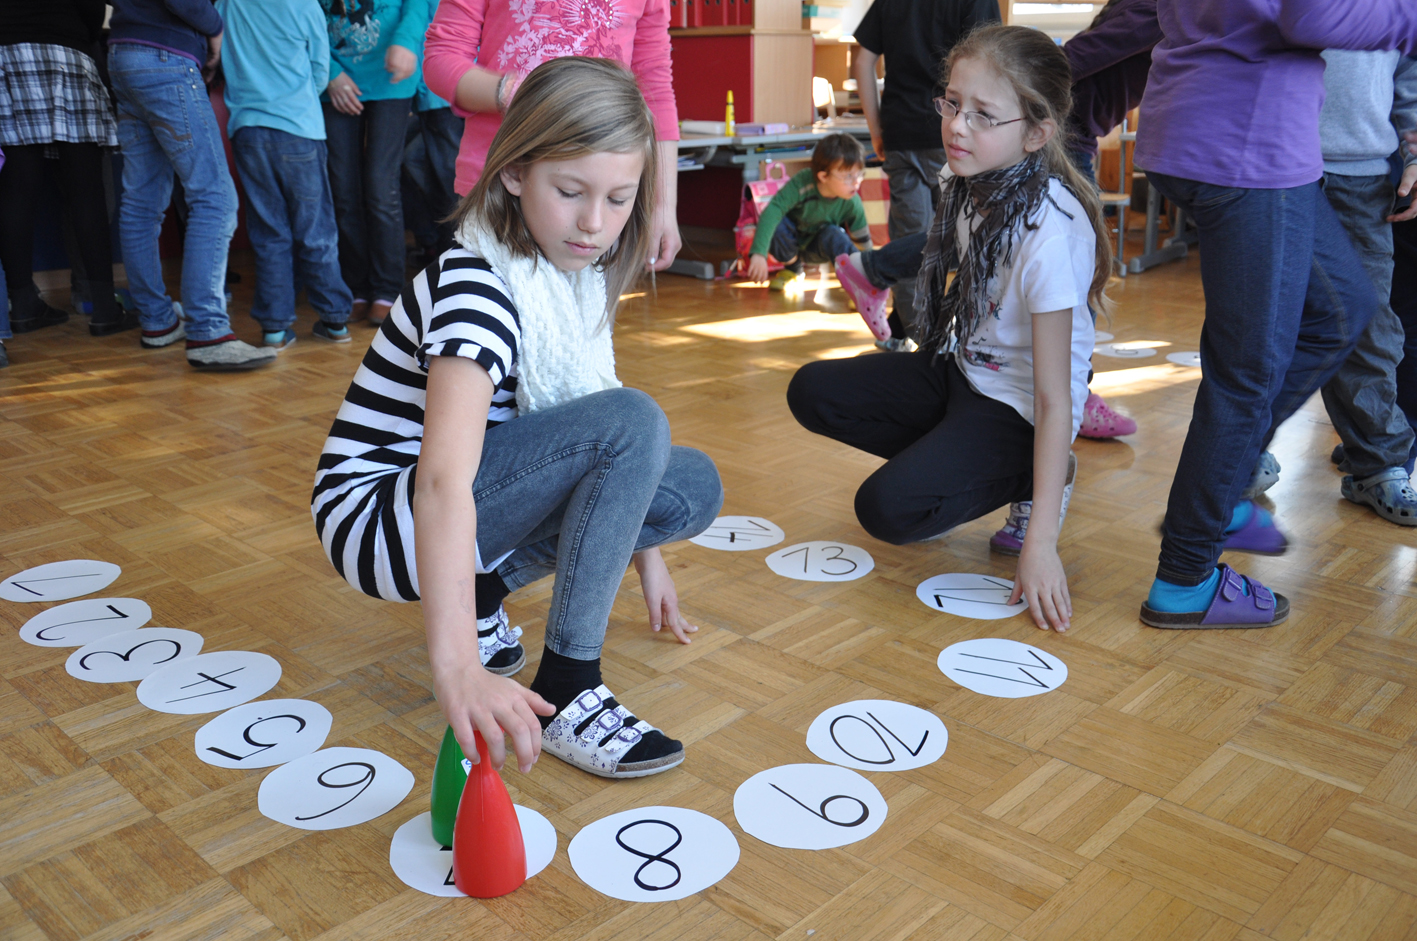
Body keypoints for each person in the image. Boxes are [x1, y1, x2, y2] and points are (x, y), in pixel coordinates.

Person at [311, 58, 723, 778]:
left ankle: (482, 590)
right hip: (379, 519)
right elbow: (442, 481)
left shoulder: (569, 275)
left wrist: (643, 552)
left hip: (460, 496)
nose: (594, 223)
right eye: (569, 192)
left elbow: (593, 426)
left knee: (690, 486)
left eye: (619, 199)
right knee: (633, 422)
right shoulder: (477, 288)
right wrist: (457, 669)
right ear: (512, 172)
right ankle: (569, 687)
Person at [787, 25, 1113, 633]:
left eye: (983, 115)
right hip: (963, 370)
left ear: (1036, 133)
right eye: (953, 104)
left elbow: (1053, 395)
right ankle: (957, 459)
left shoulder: (1051, 231)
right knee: (810, 391)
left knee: (885, 509)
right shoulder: (965, 182)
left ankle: (1039, 476)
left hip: (1019, 409)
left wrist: (1040, 542)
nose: (958, 126)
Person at [1133, 1, 1417, 630]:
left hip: (1222, 135)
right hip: (1248, 145)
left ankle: (1218, 487)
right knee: (1247, 377)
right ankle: (1184, 578)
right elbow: (1311, 15)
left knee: (1342, 312)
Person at [1249, 53, 1417, 525]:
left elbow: (1409, 72)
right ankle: (1243, 450)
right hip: (1268, 165)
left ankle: (1377, 464)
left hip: (1364, 174)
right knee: (1263, 319)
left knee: (1371, 325)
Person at [422, 0, 683, 275]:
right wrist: (521, 95)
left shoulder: (600, 212)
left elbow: (655, 88)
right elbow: (442, 57)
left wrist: (663, 206)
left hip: (602, 194)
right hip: (497, 184)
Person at [108, 0, 277, 369]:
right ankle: (208, 331)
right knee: (215, 198)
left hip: (123, 53)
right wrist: (215, 29)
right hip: (165, 57)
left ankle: (157, 320)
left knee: (141, 203)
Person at [853, 0, 999, 350]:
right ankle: (964, 339)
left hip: (901, 131)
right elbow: (992, 62)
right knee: (966, 235)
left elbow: (862, 62)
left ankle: (920, 338)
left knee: (912, 238)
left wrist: (876, 128)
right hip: (955, 133)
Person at [218, 0, 355, 350]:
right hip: (299, 129)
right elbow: (321, 73)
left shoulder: (227, 4)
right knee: (316, 229)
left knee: (269, 232)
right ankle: (335, 321)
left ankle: (274, 329)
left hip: (248, 130)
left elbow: (214, 52)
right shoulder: (305, 5)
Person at [0, 0, 133, 338]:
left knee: (17, 189)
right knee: (86, 190)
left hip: (6, 55)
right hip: (64, 52)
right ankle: (104, 308)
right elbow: (91, 11)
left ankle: (23, 303)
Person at [320, 0, 432, 326]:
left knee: (381, 186)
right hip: (335, 81)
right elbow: (302, 18)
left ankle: (387, 289)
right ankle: (356, 287)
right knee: (342, 188)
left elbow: (418, 5)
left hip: (391, 80)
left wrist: (406, 42)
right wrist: (329, 73)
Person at [743, 134, 873, 290]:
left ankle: (858, 283)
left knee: (835, 234)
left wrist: (871, 272)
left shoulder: (852, 201)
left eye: (859, 174)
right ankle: (794, 270)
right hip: (791, 242)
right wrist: (759, 254)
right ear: (823, 176)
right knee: (775, 222)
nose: (856, 182)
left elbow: (862, 240)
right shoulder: (802, 182)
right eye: (848, 176)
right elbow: (773, 210)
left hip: (818, 248)